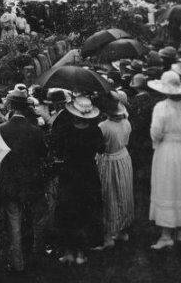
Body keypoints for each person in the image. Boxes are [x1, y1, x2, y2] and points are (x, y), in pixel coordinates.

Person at [147, 71, 181, 249]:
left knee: (168, 188)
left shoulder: (161, 107)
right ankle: (178, 231)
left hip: (167, 151)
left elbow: (155, 133)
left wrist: (161, 141)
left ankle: (166, 235)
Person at [0, 91, 48, 272]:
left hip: (10, 183)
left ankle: (17, 263)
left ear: (11, 106)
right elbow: (43, 154)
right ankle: (35, 257)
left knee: (14, 222)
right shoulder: (35, 130)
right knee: (33, 220)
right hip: (32, 182)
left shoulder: (1, 130)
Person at [54, 96, 104, 265]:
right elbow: (101, 149)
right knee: (85, 211)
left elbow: (58, 150)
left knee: (68, 211)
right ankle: (81, 252)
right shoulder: (95, 131)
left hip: (69, 174)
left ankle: (69, 251)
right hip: (88, 174)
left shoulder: (65, 129)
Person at [94, 93, 134, 250]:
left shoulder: (103, 126)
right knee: (123, 193)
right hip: (123, 159)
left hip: (109, 161)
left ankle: (108, 236)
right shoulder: (126, 123)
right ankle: (122, 231)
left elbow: (100, 148)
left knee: (109, 195)